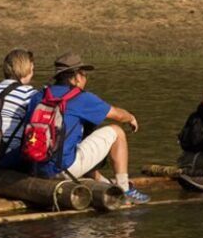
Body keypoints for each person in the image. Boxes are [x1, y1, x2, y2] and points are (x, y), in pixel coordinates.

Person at [26, 52, 150, 204]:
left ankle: (105, 182)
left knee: (78, 144)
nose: (85, 78)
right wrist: (130, 117)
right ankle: (125, 190)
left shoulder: (39, 96)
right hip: (63, 170)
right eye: (84, 74)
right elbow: (118, 115)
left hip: (36, 168)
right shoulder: (81, 98)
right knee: (117, 132)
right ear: (77, 77)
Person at [0, 48, 40, 169]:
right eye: (32, 69)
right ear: (26, 70)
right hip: (7, 156)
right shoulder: (28, 93)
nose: (33, 73)